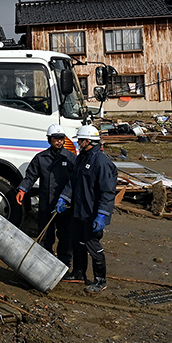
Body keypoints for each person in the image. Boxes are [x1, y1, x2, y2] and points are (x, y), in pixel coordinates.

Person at [55, 124, 117, 293]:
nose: (78, 143)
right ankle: (79, 272)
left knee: (92, 244)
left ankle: (100, 279)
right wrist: (63, 198)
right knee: (77, 242)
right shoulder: (82, 158)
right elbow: (72, 182)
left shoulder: (102, 163)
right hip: (79, 210)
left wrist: (102, 215)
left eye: (80, 140)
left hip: (93, 213)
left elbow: (107, 192)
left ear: (88, 141)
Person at [16, 124, 75, 271]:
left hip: (64, 206)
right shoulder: (41, 158)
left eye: (61, 138)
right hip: (46, 205)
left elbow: (75, 181)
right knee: (45, 236)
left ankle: (64, 265)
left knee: (65, 236)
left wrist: (68, 198)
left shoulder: (71, 159)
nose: (59, 142)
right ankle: (45, 265)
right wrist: (23, 189)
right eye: (56, 139)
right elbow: (30, 176)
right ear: (49, 139)